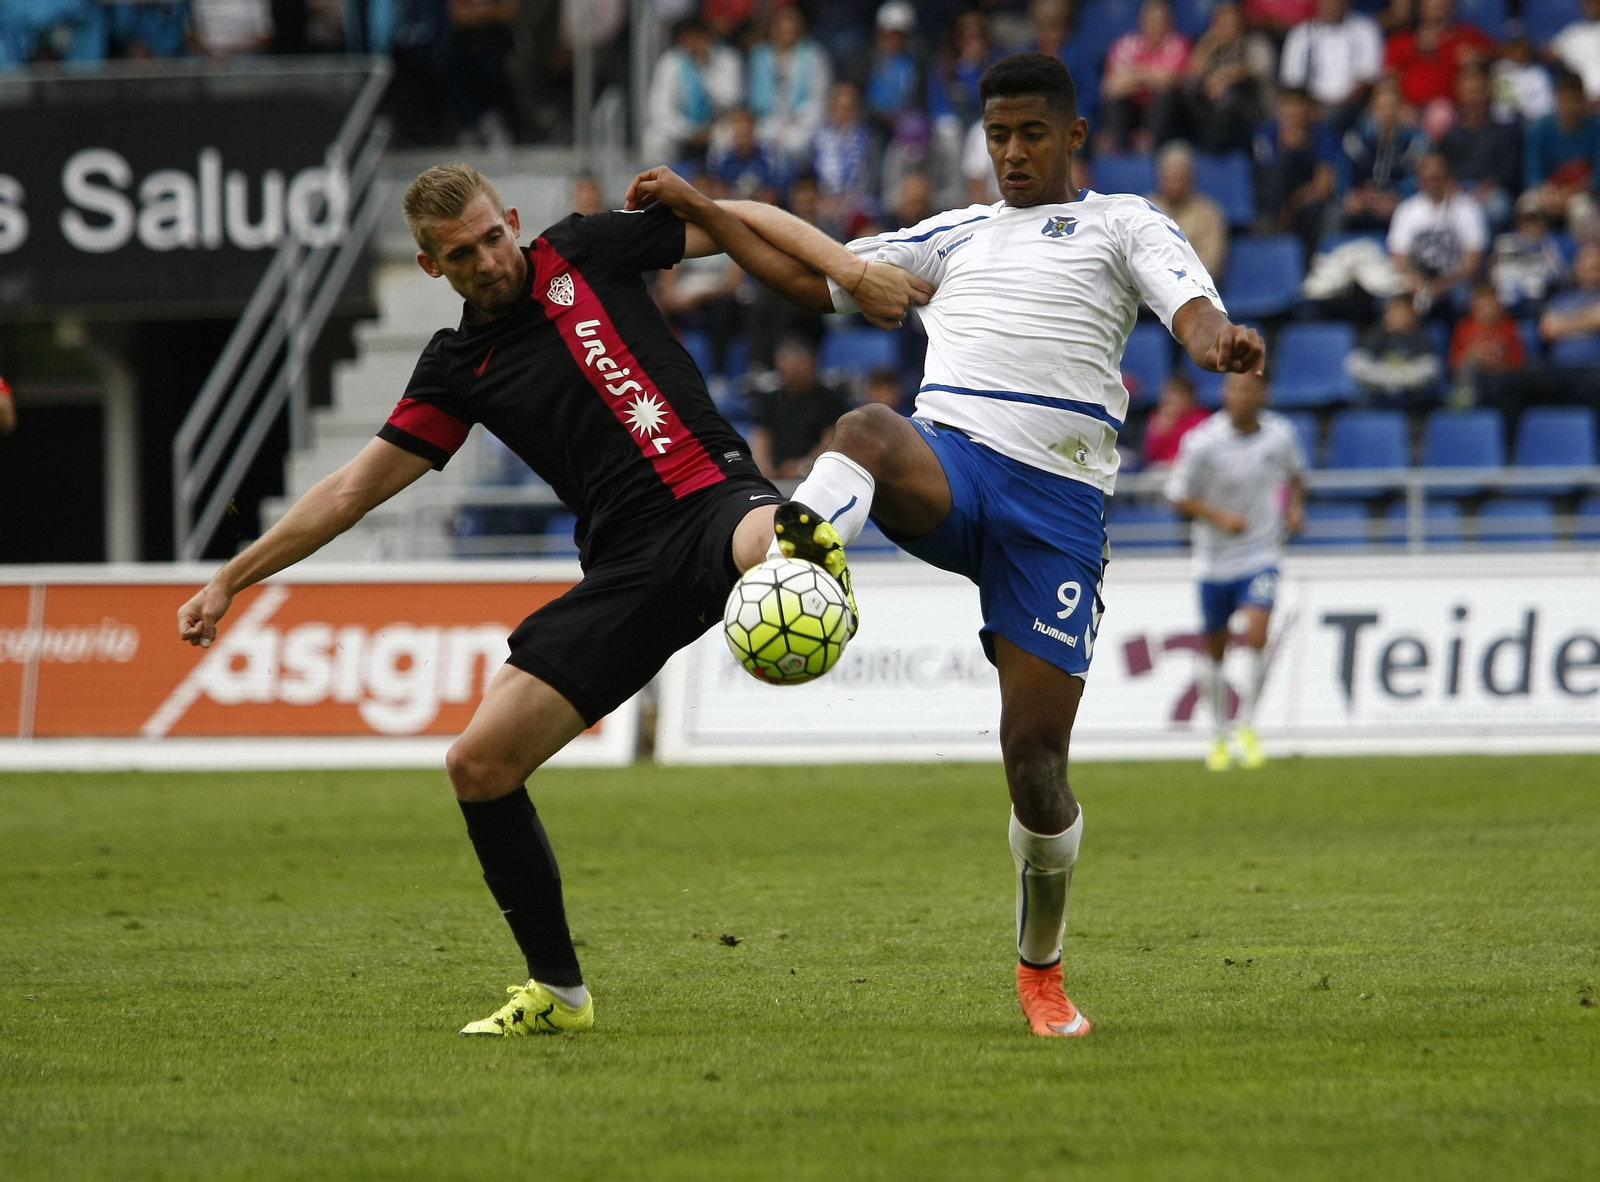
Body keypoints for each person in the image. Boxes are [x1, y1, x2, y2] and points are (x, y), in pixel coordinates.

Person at [175, 163, 930, 1038]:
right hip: (624, 573)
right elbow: (348, 493)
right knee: (478, 765)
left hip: (716, 499)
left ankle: (812, 565)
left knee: (774, 540)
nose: (490, 260)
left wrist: (848, 267)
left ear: (515, 220)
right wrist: (232, 577)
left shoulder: (583, 249)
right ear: (433, 269)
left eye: (495, 236)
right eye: (463, 254)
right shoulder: (457, 366)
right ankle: (559, 994)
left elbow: (738, 219)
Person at [630, 51, 1264, 1038]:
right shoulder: (955, 236)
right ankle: (800, 568)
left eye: (1030, 134)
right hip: (955, 472)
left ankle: (1040, 969)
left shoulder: (1122, 221)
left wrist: (1217, 342)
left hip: (1053, 518)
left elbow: (1187, 303)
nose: (1011, 153)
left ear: (1073, 137)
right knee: (868, 428)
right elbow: (811, 274)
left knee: (1035, 765)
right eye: (997, 135)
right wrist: (703, 211)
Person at [1165, 372, 1304, 772]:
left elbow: (1296, 477)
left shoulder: (1281, 435)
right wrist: (1218, 516)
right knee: (1216, 650)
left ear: (1262, 393)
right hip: (1213, 559)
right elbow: (1176, 495)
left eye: (1249, 388)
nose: (1241, 395)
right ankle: (1219, 734)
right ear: (1225, 393)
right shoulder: (1203, 442)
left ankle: (1247, 726)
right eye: (1234, 388)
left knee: (1259, 632)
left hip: (1261, 552)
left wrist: (1295, 509)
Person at [1386, 152, 1487, 316]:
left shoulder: (1468, 209)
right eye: (1428, 178)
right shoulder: (1406, 210)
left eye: (1437, 177)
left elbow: (1471, 262)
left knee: (1463, 297)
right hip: (1417, 279)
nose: (1433, 183)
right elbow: (1399, 259)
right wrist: (1418, 284)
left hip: (1454, 281)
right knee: (1389, 299)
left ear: (1448, 177)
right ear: (1419, 180)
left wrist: (1445, 284)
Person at [641, 18, 744, 164]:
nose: (693, 44)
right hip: (683, 128)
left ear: (708, 38)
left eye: (698, 38)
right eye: (688, 39)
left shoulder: (728, 59)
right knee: (654, 140)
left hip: (717, 126)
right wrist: (689, 131)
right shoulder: (670, 62)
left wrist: (704, 68)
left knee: (729, 139)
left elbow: (730, 101)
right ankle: (659, 184)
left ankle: (719, 185)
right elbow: (659, 111)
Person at [747, 336, 852, 478]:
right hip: (778, 475)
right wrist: (766, 469)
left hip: (817, 475)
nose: (794, 377)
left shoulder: (831, 400)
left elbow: (832, 439)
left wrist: (803, 466)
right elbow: (761, 437)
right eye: (789, 372)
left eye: (798, 371)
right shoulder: (770, 401)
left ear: (812, 365)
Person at [1335, 77, 1427, 232]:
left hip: (1397, 203)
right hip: (1362, 202)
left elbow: (1418, 178)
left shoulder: (1414, 142)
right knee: (1336, 214)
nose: (1387, 113)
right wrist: (1349, 196)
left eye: (1392, 107)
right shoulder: (1356, 140)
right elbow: (1342, 176)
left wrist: (1399, 197)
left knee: (1417, 216)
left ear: (1400, 108)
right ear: (1372, 108)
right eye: (1382, 107)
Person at [1182, 1, 1275, 154]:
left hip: (1249, 108)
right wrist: (1209, 41)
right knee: (1190, 88)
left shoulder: (1255, 42)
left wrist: (1225, 79)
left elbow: (1256, 70)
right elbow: (1192, 73)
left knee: (1230, 95)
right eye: (1222, 18)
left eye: (1231, 17)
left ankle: (1213, 150)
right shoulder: (1211, 45)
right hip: (1212, 109)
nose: (1227, 22)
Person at [1435, 66, 1520, 233]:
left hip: (1490, 192)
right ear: (1460, 93)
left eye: (1478, 90)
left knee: (1497, 209)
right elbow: (1441, 167)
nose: (1474, 97)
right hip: (1457, 190)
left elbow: (1509, 171)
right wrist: (1451, 188)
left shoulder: (1505, 132)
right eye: (1469, 91)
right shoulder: (1450, 135)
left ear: (1488, 91)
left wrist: (1485, 189)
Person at [1278, 0, 1383, 132]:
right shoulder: (1300, 34)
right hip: (1310, 108)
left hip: (1354, 107)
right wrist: (1312, 107)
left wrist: (1338, 107)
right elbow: (1293, 82)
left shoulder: (1366, 30)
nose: (1332, 5)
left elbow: (1367, 78)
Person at [1100, 0, 1191, 152]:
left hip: (1163, 115)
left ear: (1170, 21)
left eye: (1160, 19)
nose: (1155, 24)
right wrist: (1150, 76)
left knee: (1166, 97)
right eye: (1151, 18)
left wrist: (1134, 74)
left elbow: (1170, 82)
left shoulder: (1178, 43)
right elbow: (1109, 87)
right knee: (1115, 101)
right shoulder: (1125, 44)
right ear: (1141, 20)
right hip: (1132, 108)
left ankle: (1149, 142)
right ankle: (1116, 147)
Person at [1253, 88, 1337, 247]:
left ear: (1308, 109)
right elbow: (1264, 176)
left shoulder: (1323, 134)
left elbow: (1324, 184)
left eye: (1297, 105)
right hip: (1271, 198)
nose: (1292, 112)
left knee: (1318, 213)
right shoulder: (1266, 132)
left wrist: (1294, 202)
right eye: (1287, 105)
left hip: (1305, 199)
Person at [748, 6, 831, 166]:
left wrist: (794, 120)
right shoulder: (760, 55)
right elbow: (753, 97)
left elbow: (819, 97)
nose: (787, 36)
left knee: (793, 145)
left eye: (792, 31)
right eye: (782, 31)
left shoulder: (814, 55)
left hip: (801, 121)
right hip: (766, 120)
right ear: (773, 31)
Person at [1522, 71, 1600, 231]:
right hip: (1548, 191)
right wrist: (1548, 194)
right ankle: (1532, 252)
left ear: (1583, 100)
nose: (1570, 105)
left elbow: (1597, 176)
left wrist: (1570, 193)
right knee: (1528, 206)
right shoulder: (1539, 128)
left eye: (1575, 99)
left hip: (1582, 192)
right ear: (1556, 99)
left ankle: (1582, 255)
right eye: (1565, 99)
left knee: (1581, 210)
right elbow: (1533, 171)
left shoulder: (1595, 128)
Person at [1383, 0, 1492, 111]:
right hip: (1409, 116)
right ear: (1419, 4)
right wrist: (1400, 108)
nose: (1438, 3)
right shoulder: (1401, 42)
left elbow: (1504, 54)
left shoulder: (1467, 36)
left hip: (1458, 116)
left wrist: (1482, 57)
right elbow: (1389, 84)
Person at [1149, 140, 1229, 279]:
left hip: (1194, 291)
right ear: (1160, 179)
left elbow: (1211, 262)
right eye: (1170, 179)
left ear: (1191, 179)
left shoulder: (1209, 213)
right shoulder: (1145, 209)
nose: (1175, 186)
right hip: (1148, 291)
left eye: (1180, 179)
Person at [1345, 294, 1443, 404]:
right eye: (1395, 312)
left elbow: (1431, 366)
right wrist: (1384, 377)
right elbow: (1357, 363)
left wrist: (1402, 378)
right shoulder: (1375, 334)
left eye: (1403, 313)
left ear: (1412, 315)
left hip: (1410, 391)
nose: (1398, 317)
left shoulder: (1421, 337)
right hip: (1379, 389)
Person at [1449, 282, 1525, 405]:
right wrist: (1471, 355)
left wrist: (1495, 362)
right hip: (1474, 379)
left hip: (1500, 380)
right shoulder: (1463, 328)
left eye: (1490, 305)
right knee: (1470, 369)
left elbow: (1518, 364)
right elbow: (1454, 366)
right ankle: (1465, 403)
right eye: (1483, 305)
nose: (1487, 309)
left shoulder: (1509, 327)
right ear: (1474, 306)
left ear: (1498, 306)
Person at [1141, 374, 1209, 468]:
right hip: (1160, 470)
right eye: (1169, 393)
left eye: (1179, 394)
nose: (1172, 399)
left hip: (1189, 469)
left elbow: (1203, 452)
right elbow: (1150, 454)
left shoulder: (1202, 420)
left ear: (1190, 396)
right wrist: (1161, 430)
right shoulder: (1158, 417)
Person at [1550, 0, 1600, 103]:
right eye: (1588, 3)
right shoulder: (1573, 32)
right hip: (1580, 100)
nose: (1592, 6)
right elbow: (1550, 52)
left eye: (1595, 2)